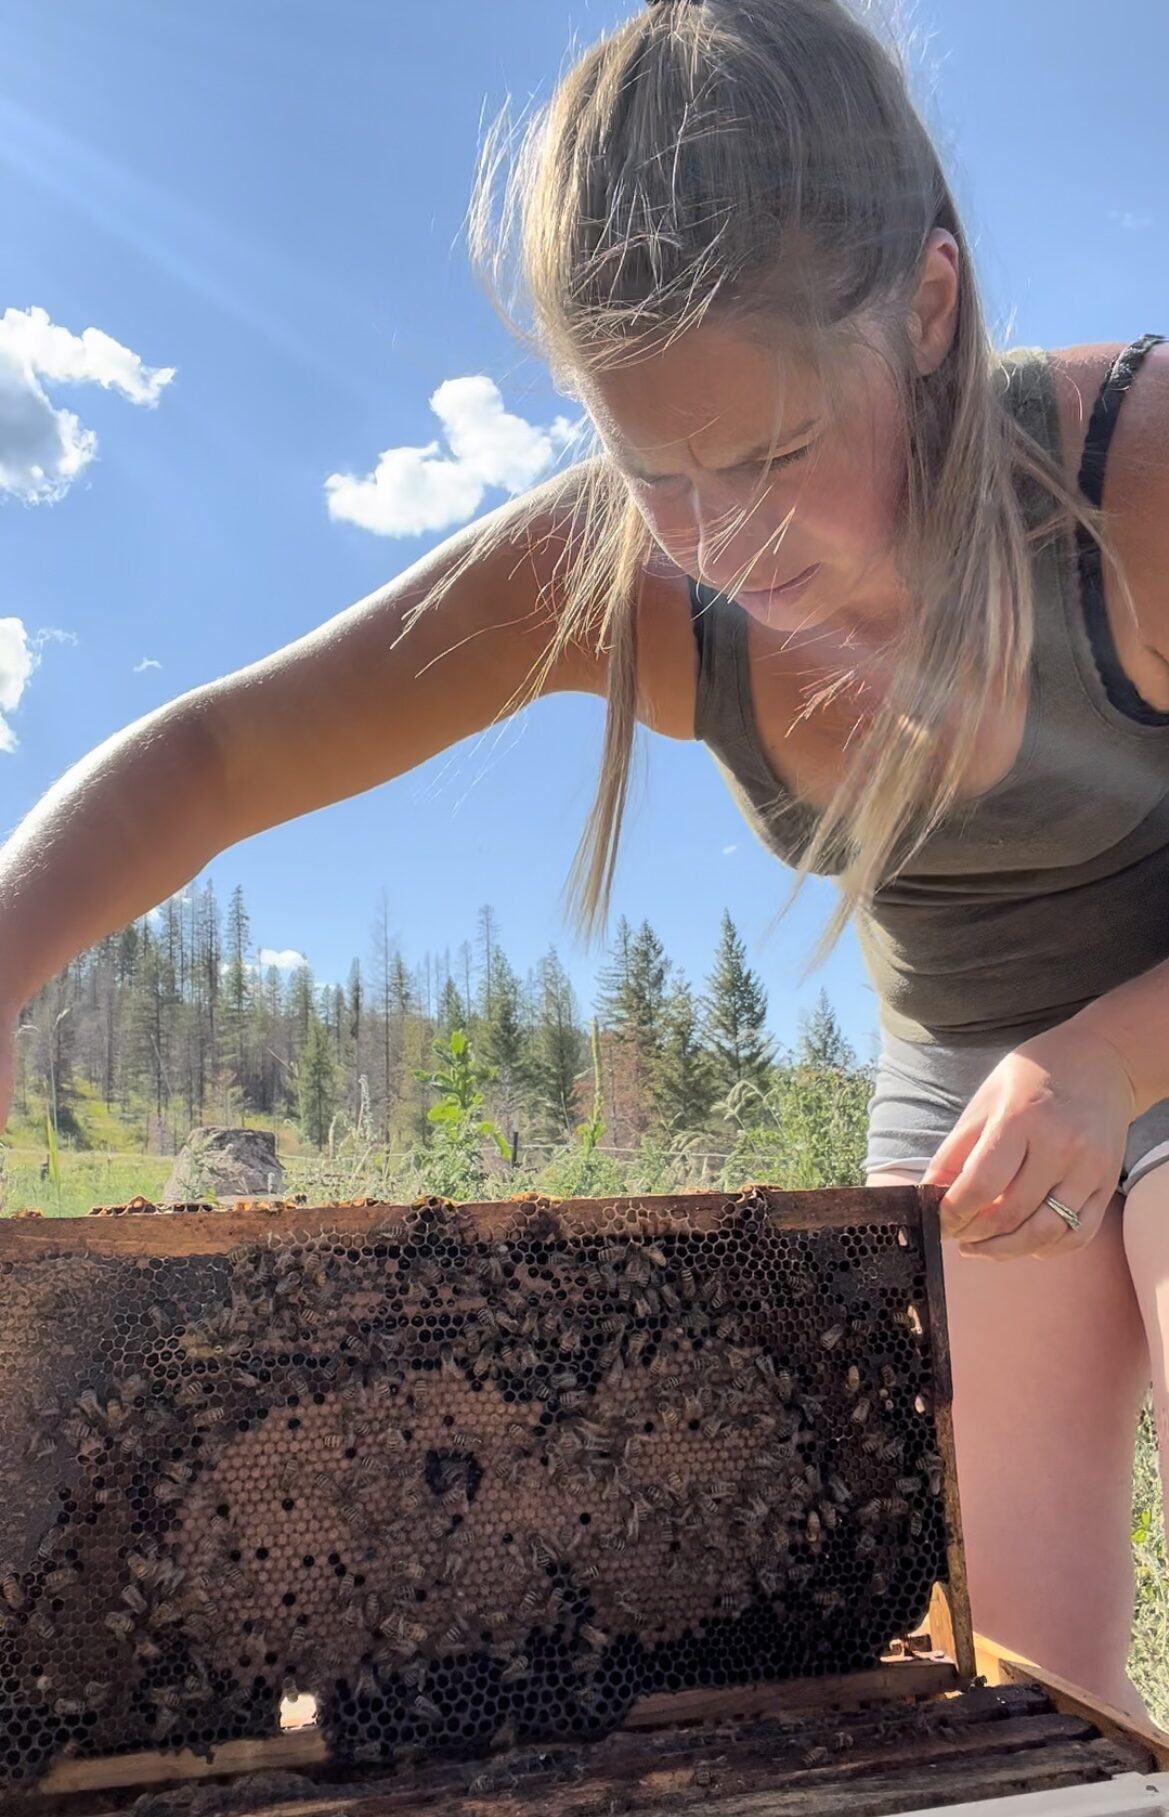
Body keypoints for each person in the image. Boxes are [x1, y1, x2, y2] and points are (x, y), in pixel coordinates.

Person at [1, 0, 1166, 1716]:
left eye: (769, 453)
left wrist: (1110, 1056)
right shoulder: (617, 570)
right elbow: (214, 754)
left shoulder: (1134, 470)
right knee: (1022, 1702)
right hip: (965, 1085)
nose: (717, 541)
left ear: (924, 308)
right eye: (654, 471)